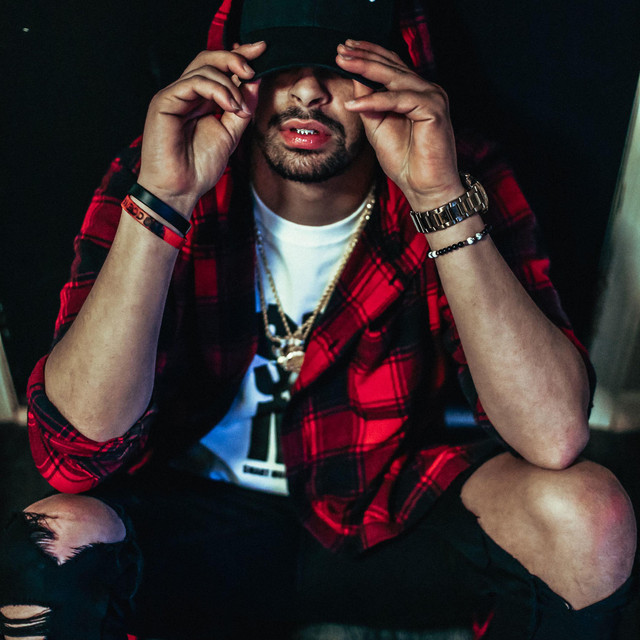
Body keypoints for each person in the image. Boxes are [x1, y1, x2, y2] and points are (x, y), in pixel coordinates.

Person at [0, 0, 636, 638]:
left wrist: (438, 199)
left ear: (395, 76)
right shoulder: (166, 164)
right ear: (232, 72)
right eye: (279, 64)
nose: (306, 92)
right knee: (50, 540)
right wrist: (164, 200)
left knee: (587, 515)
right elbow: (72, 454)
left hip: (381, 509)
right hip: (195, 512)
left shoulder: (453, 174)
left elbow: (553, 437)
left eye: (339, 65)